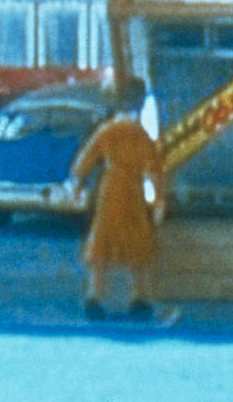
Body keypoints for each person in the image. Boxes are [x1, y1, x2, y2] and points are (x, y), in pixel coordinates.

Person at [69, 77, 168, 321]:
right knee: (138, 245)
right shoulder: (140, 134)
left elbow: (86, 159)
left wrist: (78, 184)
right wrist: (159, 199)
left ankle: (95, 297)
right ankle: (139, 298)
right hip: (133, 191)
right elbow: (155, 169)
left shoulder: (107, 130)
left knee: (102, 244)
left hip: (111, 190)